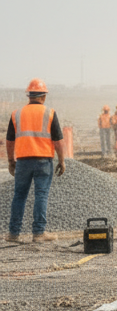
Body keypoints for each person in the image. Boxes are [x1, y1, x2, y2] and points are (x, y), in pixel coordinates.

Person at [6, 79, 66, 244]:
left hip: (23, 162)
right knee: (41, 194)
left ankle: (13, 233)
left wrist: (11, 161)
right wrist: (62, 160)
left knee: (19, 196)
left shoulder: (16, 114)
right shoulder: (50, 113)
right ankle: (39, 233)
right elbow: (59, 141)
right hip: (43, 161)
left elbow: (9, 141)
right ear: (44, 96)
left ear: (29, 96)